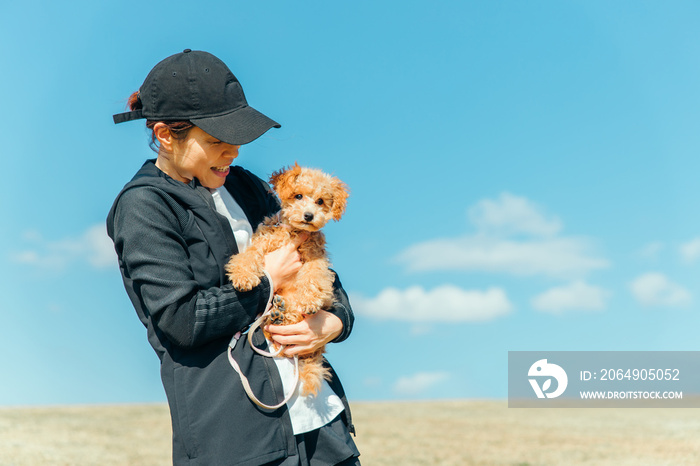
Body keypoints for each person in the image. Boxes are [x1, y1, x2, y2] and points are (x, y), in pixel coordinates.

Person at [106, 49, 360, 466]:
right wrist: (267, 281)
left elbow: (317, 261)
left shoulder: (247, 187)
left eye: (236, 141)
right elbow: (181, 321)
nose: (234, 154)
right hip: (238, 444)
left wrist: (334, 321)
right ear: (167, 135)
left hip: (322, 426)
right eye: (217, 142)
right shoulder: (144, 207)